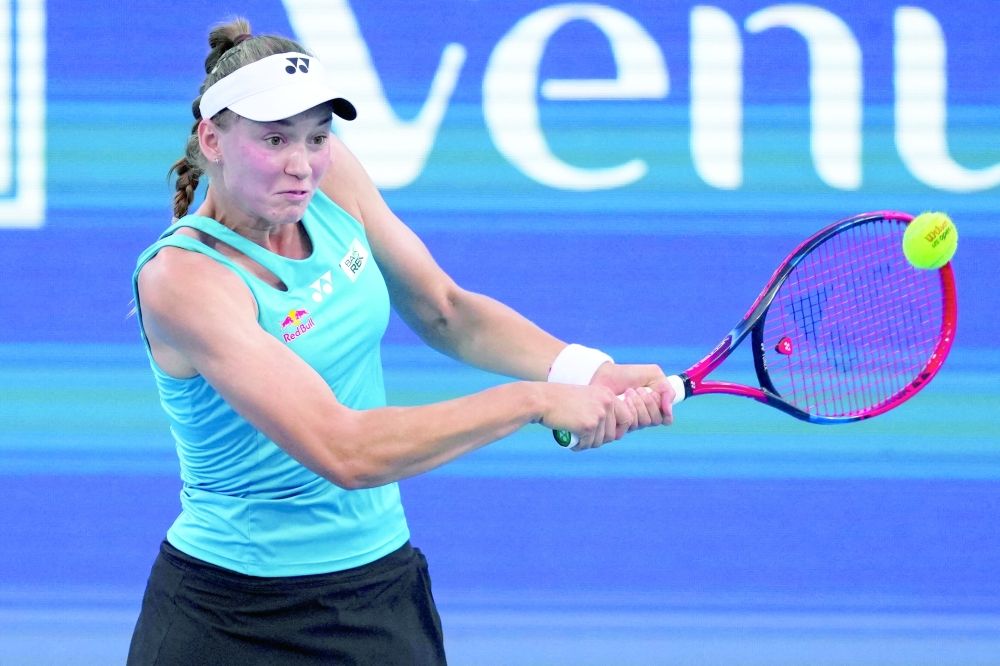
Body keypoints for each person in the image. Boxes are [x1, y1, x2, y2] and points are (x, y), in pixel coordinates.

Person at [126, 18, 675, 666]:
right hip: (229, 621)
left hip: (378, 592)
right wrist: (533, 400)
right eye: (274, 139)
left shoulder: (328, 186)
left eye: (317, 136)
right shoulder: (182, 281)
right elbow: (345, 450)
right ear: (211, 138)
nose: (301, 164)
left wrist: (582, 371)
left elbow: (445, 310)